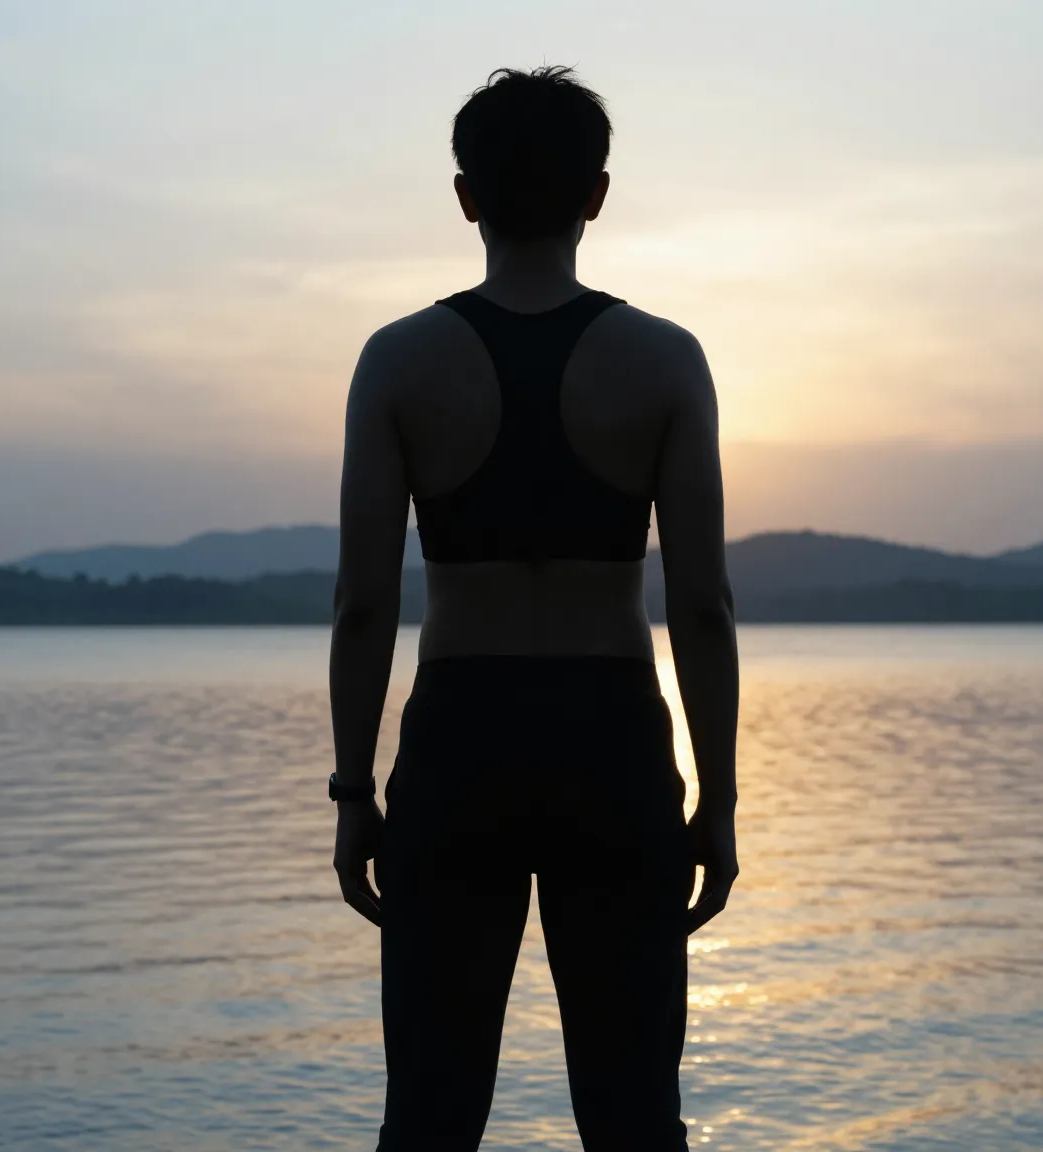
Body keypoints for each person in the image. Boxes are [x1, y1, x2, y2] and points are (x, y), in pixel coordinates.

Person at [328, 66, 739, 1151]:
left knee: (428, 1113)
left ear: (464, 196)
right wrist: (720, 799)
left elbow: (364, 603)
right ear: (595, 195)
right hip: (610, 738)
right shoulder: (663, 361)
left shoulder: (397, 362)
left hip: (458, 739)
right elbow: (700, 604)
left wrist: (351, 791)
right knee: (634, 1117)